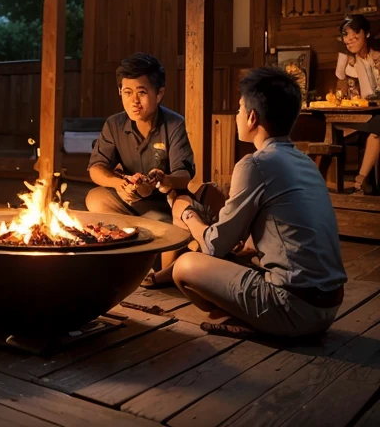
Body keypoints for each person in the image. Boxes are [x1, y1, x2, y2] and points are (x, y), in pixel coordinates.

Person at [170, 66, 347, 339]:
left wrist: (187, 214)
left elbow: (213, 246)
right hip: (329, 305)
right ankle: (252, 316)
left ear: (252, 117)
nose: (237, 116)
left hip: (295, 308)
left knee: (185, 266)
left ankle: (256, 321)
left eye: (240, 109)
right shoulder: (304, 162)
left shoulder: (256, 164)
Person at [85, 52, 195, 226]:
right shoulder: (114, 124)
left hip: (164, 205)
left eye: (141, 93)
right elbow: (96, 167)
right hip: (129, 201)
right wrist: (120, 183)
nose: (134, 101)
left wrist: (163, 179)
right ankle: (130, 235)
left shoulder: (175, 125)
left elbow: (184, 175)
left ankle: (148, 235)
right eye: (127, 92)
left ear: (159, 94)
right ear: (120, 91)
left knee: (181, 211)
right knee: (95, 198)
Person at [336, 14, 380, 194]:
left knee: (378, 125)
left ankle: (360, 182)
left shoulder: (377, 57)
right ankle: (359, 183)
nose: (350, 39)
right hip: (352, 115)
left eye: (355, 33)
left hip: (374, 113)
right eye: (346, 35)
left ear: (366, 34)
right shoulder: (345, 60)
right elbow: (339, 93)